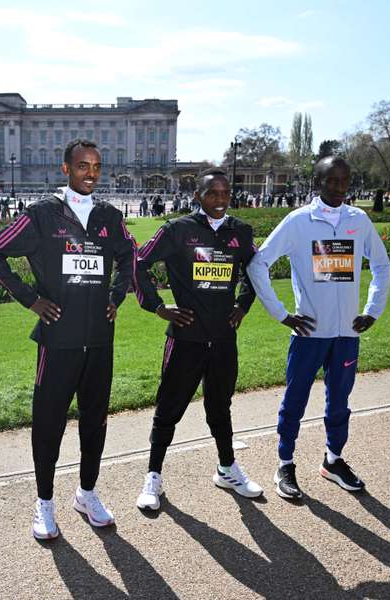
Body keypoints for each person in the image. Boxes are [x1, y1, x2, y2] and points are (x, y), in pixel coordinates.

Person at [0, 139, 136, 540]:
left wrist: (117, 295)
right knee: (49, 426)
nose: (91, 173)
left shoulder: (109, 216)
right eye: (83, 166)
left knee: (95, 423)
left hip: (99, 342)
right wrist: (31, 300)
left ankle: (86, 493)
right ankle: (44, 503)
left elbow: (130, 255)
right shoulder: (42, 215)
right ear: (65, 169)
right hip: (58, 342)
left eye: (97, 167)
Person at [246, 156, 390, 500]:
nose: (340, 188)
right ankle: (285, 463)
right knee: (295, 401)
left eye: (345, 181)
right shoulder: (298, 222)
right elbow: (258, 263)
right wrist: (282, 314)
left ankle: (333, 460)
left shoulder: (359, 220)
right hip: (309, 334)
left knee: (339, 402)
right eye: (332, 181)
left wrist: (372, 311)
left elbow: (382, 265)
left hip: (346, 335)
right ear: (318, 183)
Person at [133, 169, 262, 511]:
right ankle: (153, 477)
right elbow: (138, 264)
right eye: (212, 193)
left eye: (225, 193)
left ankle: (227, 468)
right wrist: (158, 307)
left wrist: (242, 304)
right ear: (197, 197)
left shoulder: (240, 231)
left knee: (220, 407)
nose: (220, 200)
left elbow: (255, 270)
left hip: (222, 339)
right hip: (185, 338)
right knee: (168, 410)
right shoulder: (178, 230)